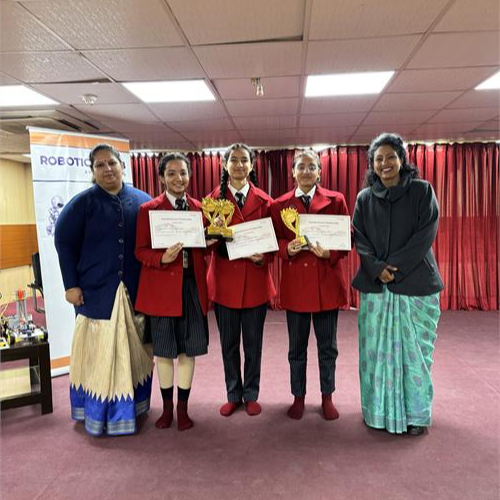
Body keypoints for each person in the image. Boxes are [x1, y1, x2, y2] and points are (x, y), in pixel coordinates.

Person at [54, 143, 153, 437]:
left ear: (122, 165)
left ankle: (133, 408)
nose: (107, 169)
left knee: (135, 354)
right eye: (100, 165)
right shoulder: (81, 204)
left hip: (135, 293)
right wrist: (70, 285)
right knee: (99, 357)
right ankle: (98, 414)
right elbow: (64, 243)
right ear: (92, 170)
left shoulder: (143, 201)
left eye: (111, 163)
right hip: (95, 294)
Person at [352, 132, 444, 436]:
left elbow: (425, 234)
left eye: (390, 156)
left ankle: (416, 415)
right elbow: (359, 238)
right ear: (372, 165)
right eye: (378, 159)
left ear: (403, 159)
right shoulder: (364, 199)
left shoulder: (422, 191)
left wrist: (395, 267)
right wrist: (377, 269)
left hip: (416, 286)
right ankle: (378, 413)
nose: (385, 163)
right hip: (377, 287)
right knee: (375, 355)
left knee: (415, 354)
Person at [135, 153, 212, 431]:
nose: (178, 179)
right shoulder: (148, 210)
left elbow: (205, 246)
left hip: (191, 287)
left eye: (183, 173)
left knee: (189, 351)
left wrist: (212, 240)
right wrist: (161, 258)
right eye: (171, 173)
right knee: (165, 351)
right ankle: (167, 409)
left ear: (189, 176)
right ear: (161, 178)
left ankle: (183, 408)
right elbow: (140, 250)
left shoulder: (200, 209)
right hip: (162, 291)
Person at [270, 150, 350, 420]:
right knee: (296, 349)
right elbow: (273, 240)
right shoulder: (280, 205)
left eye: (311, 167)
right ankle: (298, 397)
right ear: (293, 172)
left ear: (319, 172)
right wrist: (286, 249)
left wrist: (330, 253)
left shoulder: (336, 200)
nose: (306, 171)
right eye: (301, 167)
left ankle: (327, 397)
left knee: (328, 348)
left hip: (326, 284)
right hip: (297, 287)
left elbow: (347, 238)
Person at [208, 143, 275, 417]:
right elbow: (205, 243)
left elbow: (274, 244)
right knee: (228, 345)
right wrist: (210, 237)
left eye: (244, 160)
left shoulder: (266, 201)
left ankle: (251, 394)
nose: (239, 165)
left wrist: (264, 257)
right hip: (224, 283)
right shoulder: (211, 201)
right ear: (224, 165)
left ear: (252, 165)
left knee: (253, 344)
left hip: (256, 282)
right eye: (233, 160)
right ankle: (233, 394)